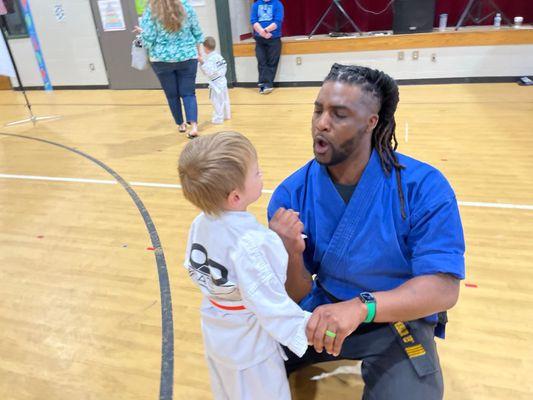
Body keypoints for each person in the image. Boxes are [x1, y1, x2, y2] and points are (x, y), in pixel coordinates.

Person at [268, 64, 465, 399]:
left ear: (371, 122)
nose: (322, 123)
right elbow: (297, 293)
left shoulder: (423, 186)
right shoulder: (291, 194)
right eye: (318, 110)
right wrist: (291, 253)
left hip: (393, 318)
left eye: (338, 114)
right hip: (321, 311)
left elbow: (443, 289)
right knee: (248, 354)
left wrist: (362, 307)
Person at [178, 131, 310, 400]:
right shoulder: (253, 243)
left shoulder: (200, 224)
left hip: (217, 331)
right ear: (235, 197)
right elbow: (273, 305)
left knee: (226, 391)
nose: (262, 174)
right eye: (257, 173)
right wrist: (313, 328)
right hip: (251, 347)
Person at [139, 0, 204, 138]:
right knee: (189, 93)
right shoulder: (186, 6)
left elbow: (149, 39)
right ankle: (194, 126)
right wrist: (199, 53)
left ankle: (181, 124)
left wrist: (142, 34)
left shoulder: (151, 10)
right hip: (187, 57)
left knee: (172, 95)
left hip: (162, 60)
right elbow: (197, 32)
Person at [250, 0, 284, 94]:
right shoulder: (256, 5)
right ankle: (263, 84)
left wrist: (266, 30)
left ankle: (267, 85)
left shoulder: (277, 4)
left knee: (272, 61)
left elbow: (278, 21)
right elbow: (254, 21)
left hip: (274, 38)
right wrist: (262, 33)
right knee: (261, 61)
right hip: (259, 39)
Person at [199, 36, 231, 124]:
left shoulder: (211, 59)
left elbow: (209, 72)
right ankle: (226, 115)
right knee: (224, 99)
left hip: (216, 83)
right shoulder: (218, 56)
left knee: (216, 101)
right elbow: (224, 66)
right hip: (222, 80)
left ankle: (218, 118)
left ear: (205, 47)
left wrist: (202, 62)